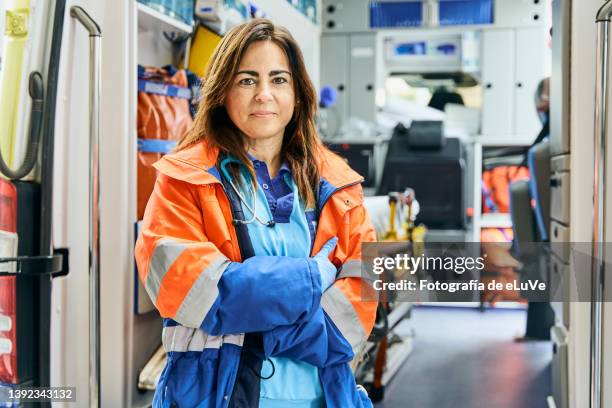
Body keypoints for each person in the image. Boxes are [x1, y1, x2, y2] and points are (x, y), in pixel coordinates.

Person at [135, 19, 378, 408]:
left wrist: (258, 326)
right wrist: (312, 277)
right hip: (212, 395)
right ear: (221, 92)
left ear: (298, 94)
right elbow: (192, 292)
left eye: (279, 80)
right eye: (247, 80)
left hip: (323, 397)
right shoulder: (183, 179)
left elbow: (357, 310)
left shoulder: (340, 185)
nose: (264, 94)